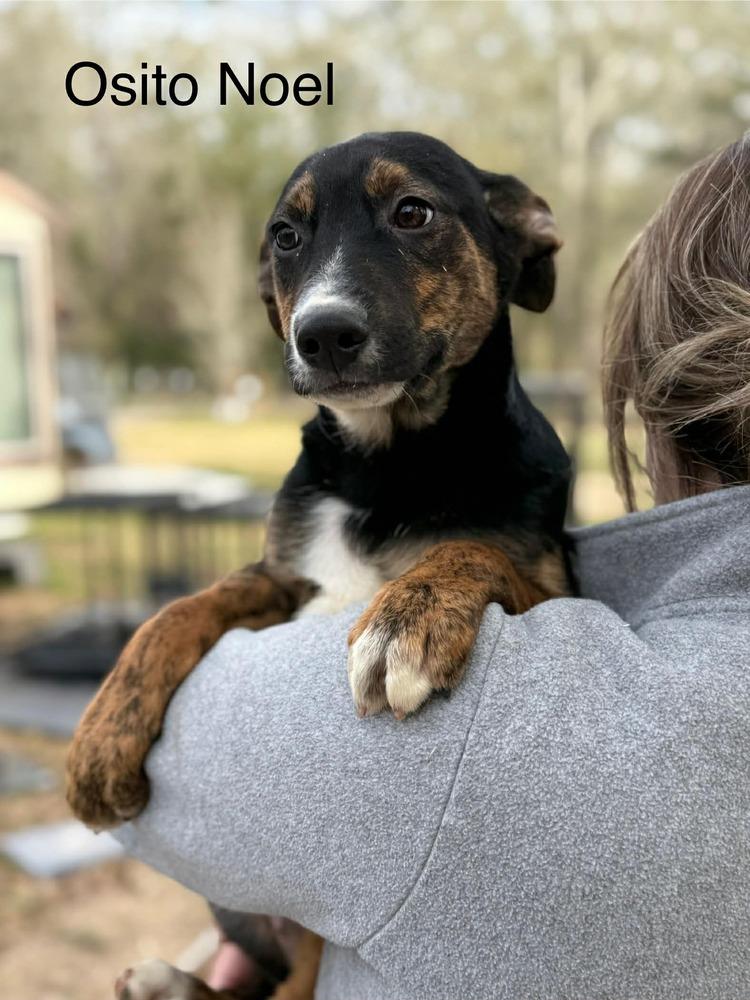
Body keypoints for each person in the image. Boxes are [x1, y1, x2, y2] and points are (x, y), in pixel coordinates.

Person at [117, 134, 750, 999]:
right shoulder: (311, 495)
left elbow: (150, 796)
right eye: (291, 243)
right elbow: (272, 590)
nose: (325, 303)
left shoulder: (506, 663)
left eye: (410, 215)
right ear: (273, 293)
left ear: (512, 247)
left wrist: (470, 568)